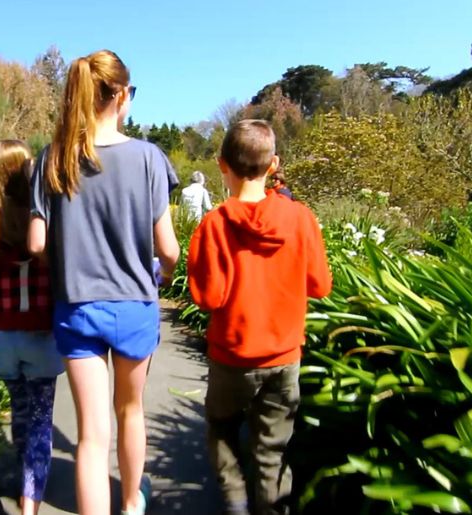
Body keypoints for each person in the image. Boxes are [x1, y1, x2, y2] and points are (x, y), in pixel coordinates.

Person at [28, 50, 180, 515]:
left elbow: (36, 244)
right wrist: (166, 274)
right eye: (129, 92)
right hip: (134, 304)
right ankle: (133, 501)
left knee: (92, 435)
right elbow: (168, 249)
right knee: (130, 412)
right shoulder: (149, 158)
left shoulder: (52, 159)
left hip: (77, 307)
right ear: (118, 96)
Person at [187, 120, 332, 515]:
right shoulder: (300, 218)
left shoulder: (214, 225)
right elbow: (320, 285)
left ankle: (235, 504)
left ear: (222, 165)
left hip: (231, 357)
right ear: (273, 164)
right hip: (284, 357)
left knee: (222, 432)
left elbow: (207, 297)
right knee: (272, 451)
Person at [0, 140, 64, 515]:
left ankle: (25, 471)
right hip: (40, 333)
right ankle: (30, 499)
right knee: (40, 418)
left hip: (0, 338)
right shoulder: (42, 227)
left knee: (20, 407)